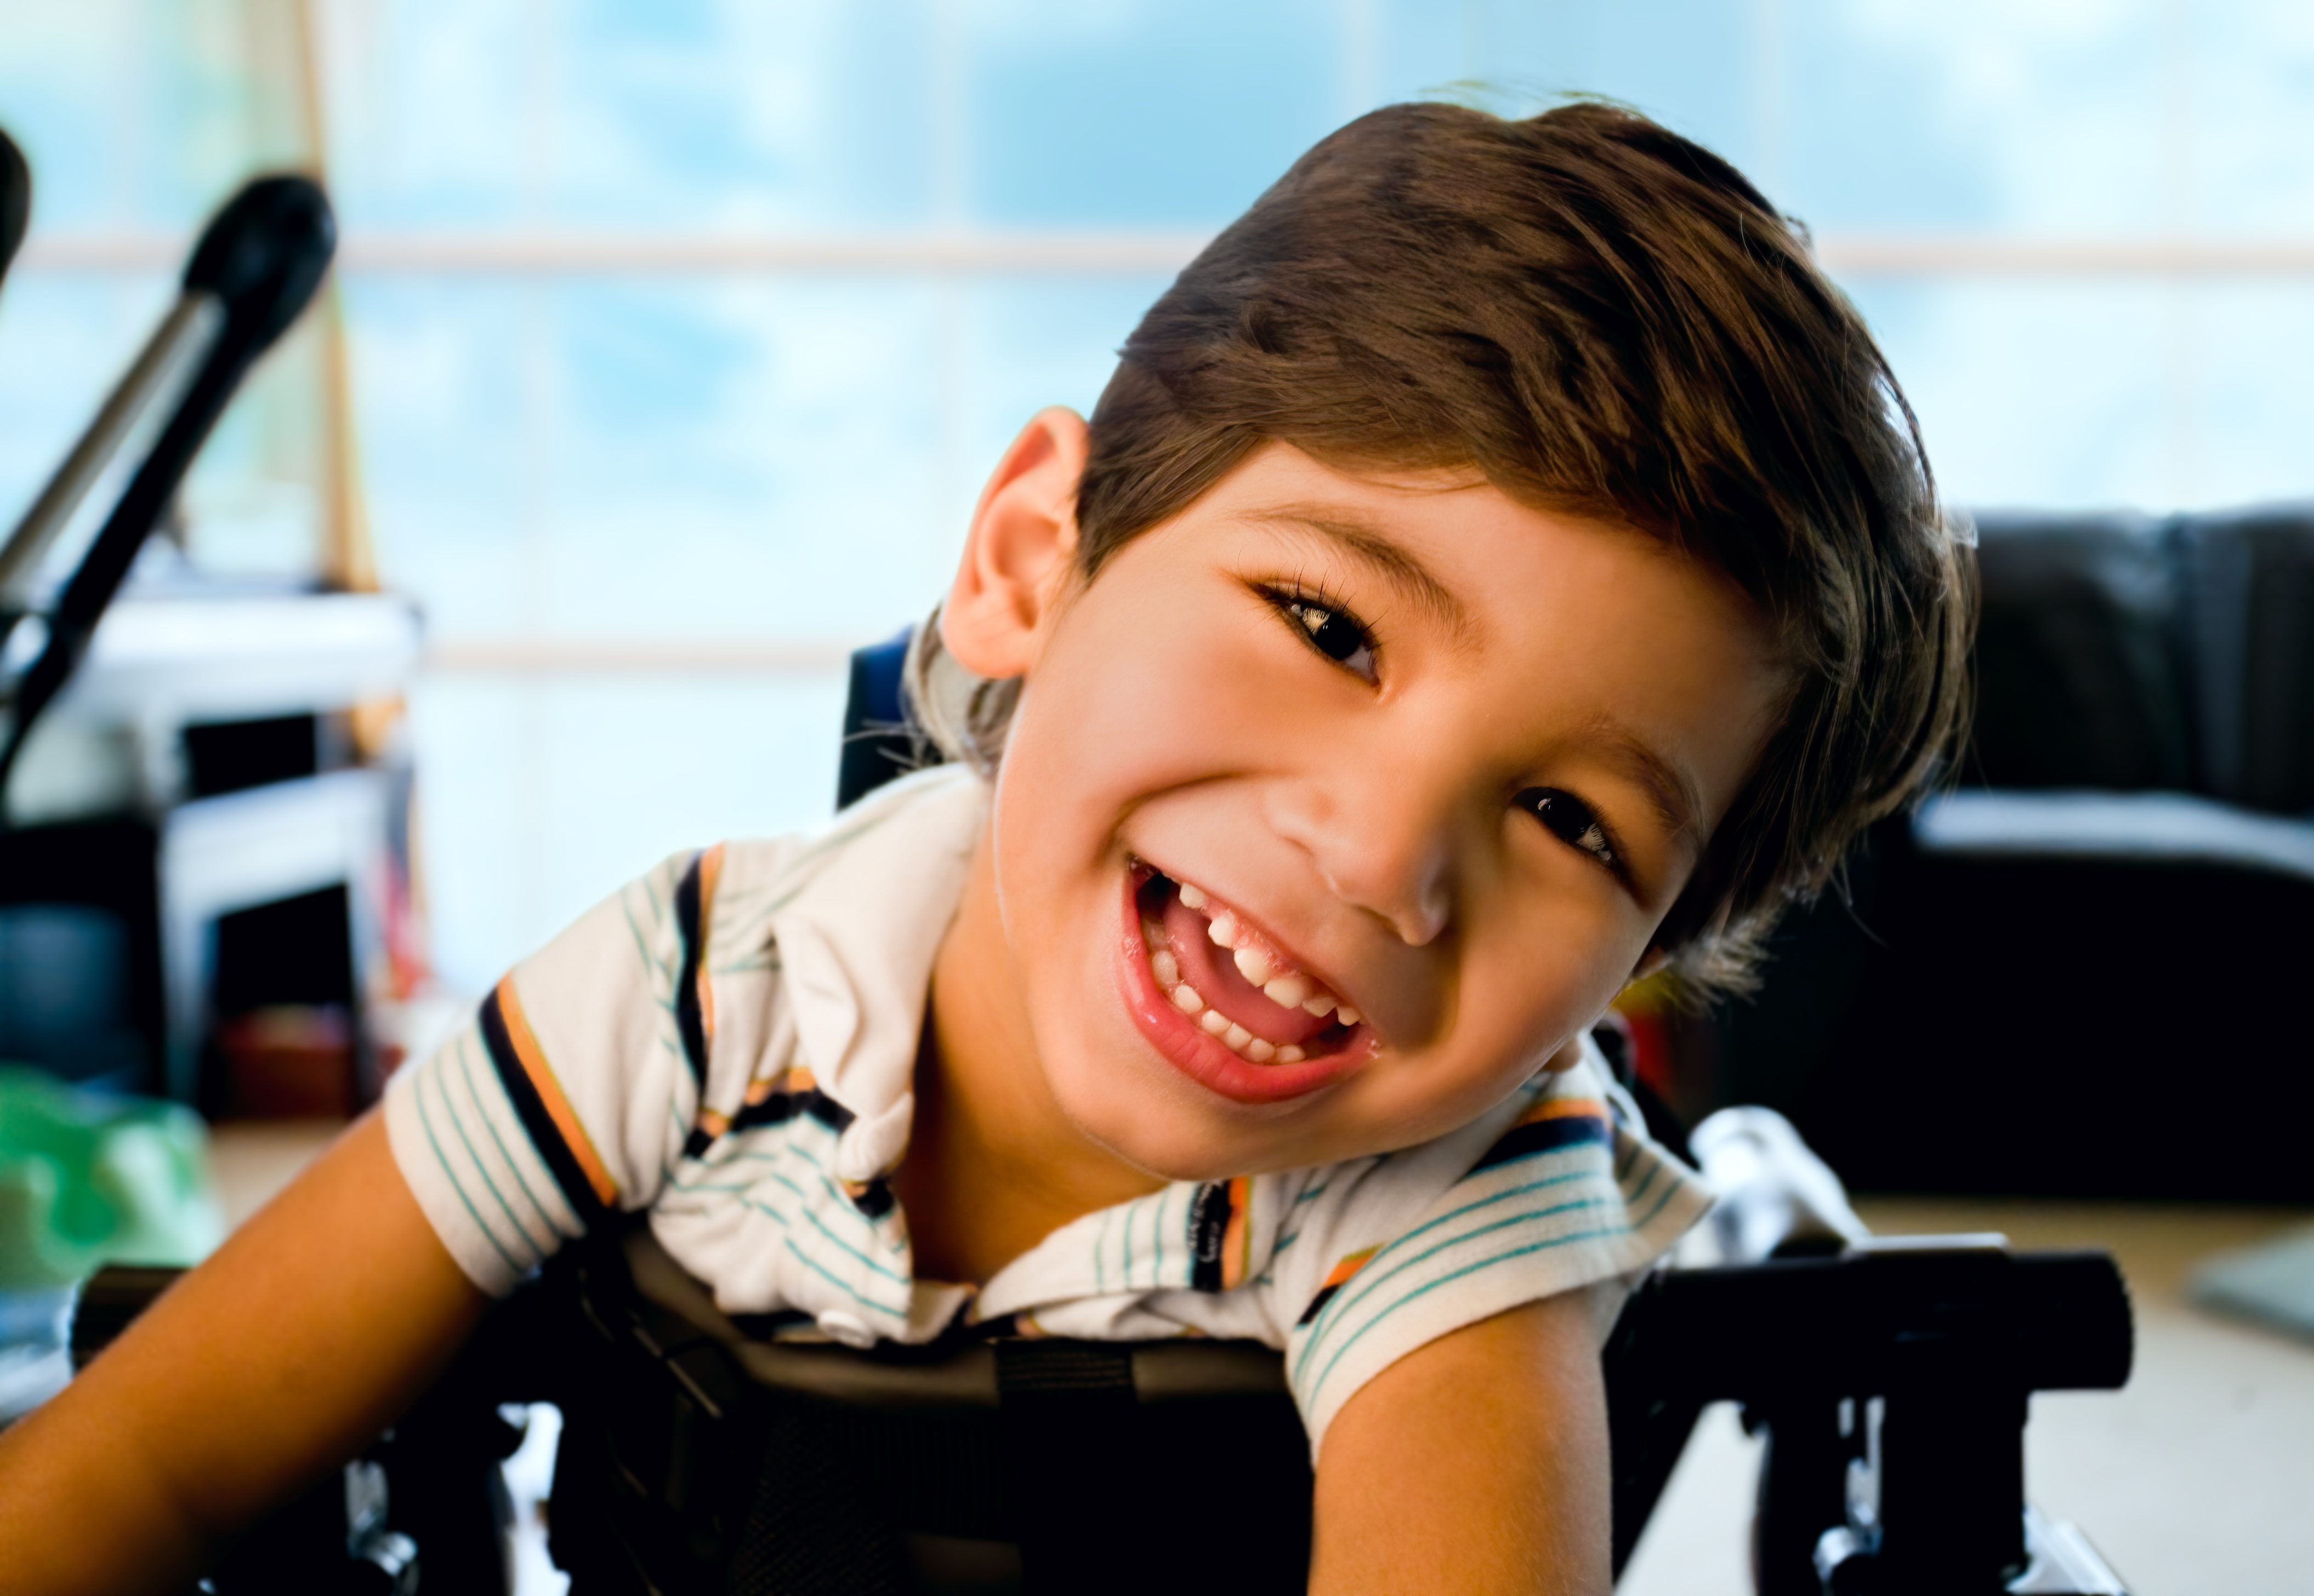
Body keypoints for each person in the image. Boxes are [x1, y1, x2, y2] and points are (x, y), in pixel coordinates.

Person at [0, 99, 1971, 1593]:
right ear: (1038, 558)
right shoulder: (692, 986)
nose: (1381, 856)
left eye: (1566, 817)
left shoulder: (1455, 1180)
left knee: (1726, 1226)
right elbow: (146, 1466)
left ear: (1642, 947)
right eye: (1328, 627)